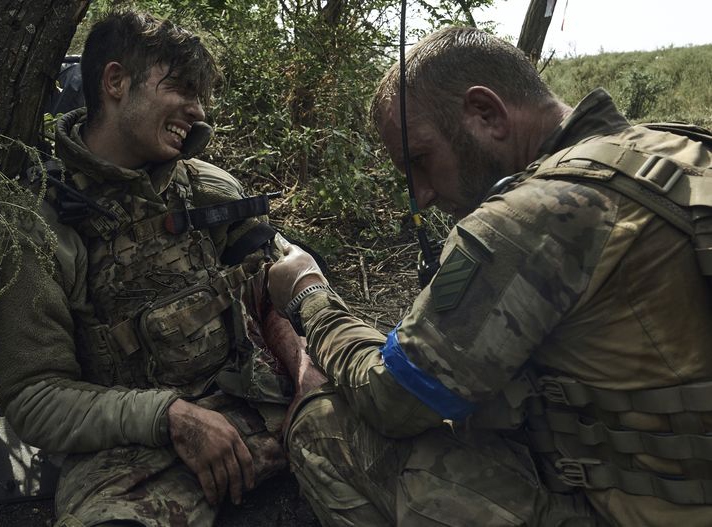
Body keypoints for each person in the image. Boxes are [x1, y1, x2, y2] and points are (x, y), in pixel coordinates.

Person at [267, 26, 712, 526]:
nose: (423, 195)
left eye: (420, 161)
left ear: (486, 114)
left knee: (324, 424)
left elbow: (393, 396)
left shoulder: (536, 214)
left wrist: (310, 295)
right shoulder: (677, 151)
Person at [0, 10, 317, 527]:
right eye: (183, 89)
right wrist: (171, 418)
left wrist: (304, 368)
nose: (198, 111)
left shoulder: (208, 185)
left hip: (270, 411)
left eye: (202, 96)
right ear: (115, 81)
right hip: (135, 457)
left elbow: (272, 282)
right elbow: (34, 398)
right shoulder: (36, 225)